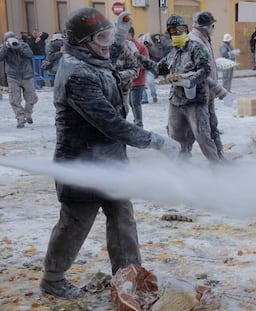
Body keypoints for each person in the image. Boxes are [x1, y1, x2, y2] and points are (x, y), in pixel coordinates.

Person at [39, 8, 180, 299]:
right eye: (101, 38)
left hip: (110, 160)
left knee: (122, 218)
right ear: (81, 42)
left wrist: (119, 26)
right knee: (75, 222)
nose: (108, 43)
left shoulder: (93, 56)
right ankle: (53, 279)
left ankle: (128, 277)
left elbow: (111, 48)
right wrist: (156, 141)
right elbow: (111, 124)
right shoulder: (77, 74)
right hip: (81, 163)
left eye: (109, 37)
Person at [138, 14, 222, 163]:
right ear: (169, 33)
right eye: (173, 31)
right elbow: (158, 69)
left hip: (195, 101)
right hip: (176, 101)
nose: (177, 33)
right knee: (176, 138)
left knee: (203, 138)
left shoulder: (196, 48)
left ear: (186, 29)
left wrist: (190, 80)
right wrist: (140, 58)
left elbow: (205, 69)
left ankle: (216, 166)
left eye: (180, 29)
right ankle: (182, 168)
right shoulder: (172, 53)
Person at [189, 11, 233, 160]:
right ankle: (215, 163)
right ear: (204, 27)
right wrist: (219, 90)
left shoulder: (204, 39)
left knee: (212, 127)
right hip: (200, 95)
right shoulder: (195, 42)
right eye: (212, 26)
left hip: (209, 94)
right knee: (202, 132)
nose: (214, 29)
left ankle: (219, 157)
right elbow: (200, 72)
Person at [0, 31, 38, 128]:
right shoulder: (4, 47)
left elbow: (30, 55)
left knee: (32, 97)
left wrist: (18, 47)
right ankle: (20, 118)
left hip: (26, 75)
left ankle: (28, 114)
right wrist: (6, 47)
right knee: (14, 99)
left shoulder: (24, 45)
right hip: (13, 76)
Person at [128, 26, 149, 127]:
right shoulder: (124, 46)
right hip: (128, 81)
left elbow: (146, 63)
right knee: (131, 103)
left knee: (135, 103)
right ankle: (136, 121)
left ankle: (139, 124)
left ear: (130, 34)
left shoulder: (140, 46)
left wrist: (136, 67)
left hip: (138, 81)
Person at [115, 33, 139, 117]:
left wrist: (119, 75)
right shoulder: (98, 50)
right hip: (105, 91)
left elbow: (135, 69)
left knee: (123, 112)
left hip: (123, 89)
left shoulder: (125, 50)